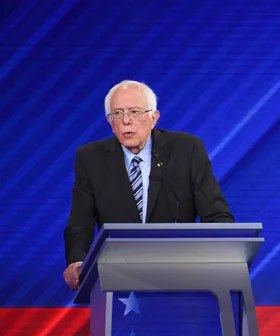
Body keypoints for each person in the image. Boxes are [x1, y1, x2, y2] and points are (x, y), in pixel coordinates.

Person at [63, 80, 234, 289]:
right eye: (117, 114)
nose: (126, 121)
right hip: (118, 279)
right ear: (110, 121)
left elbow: (217, 215)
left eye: (134, 112)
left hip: (182, 274)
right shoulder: (91, 158)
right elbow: (80, 223)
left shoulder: (187, 149)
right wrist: (78, 261)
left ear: (154, 117)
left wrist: (222, 254)